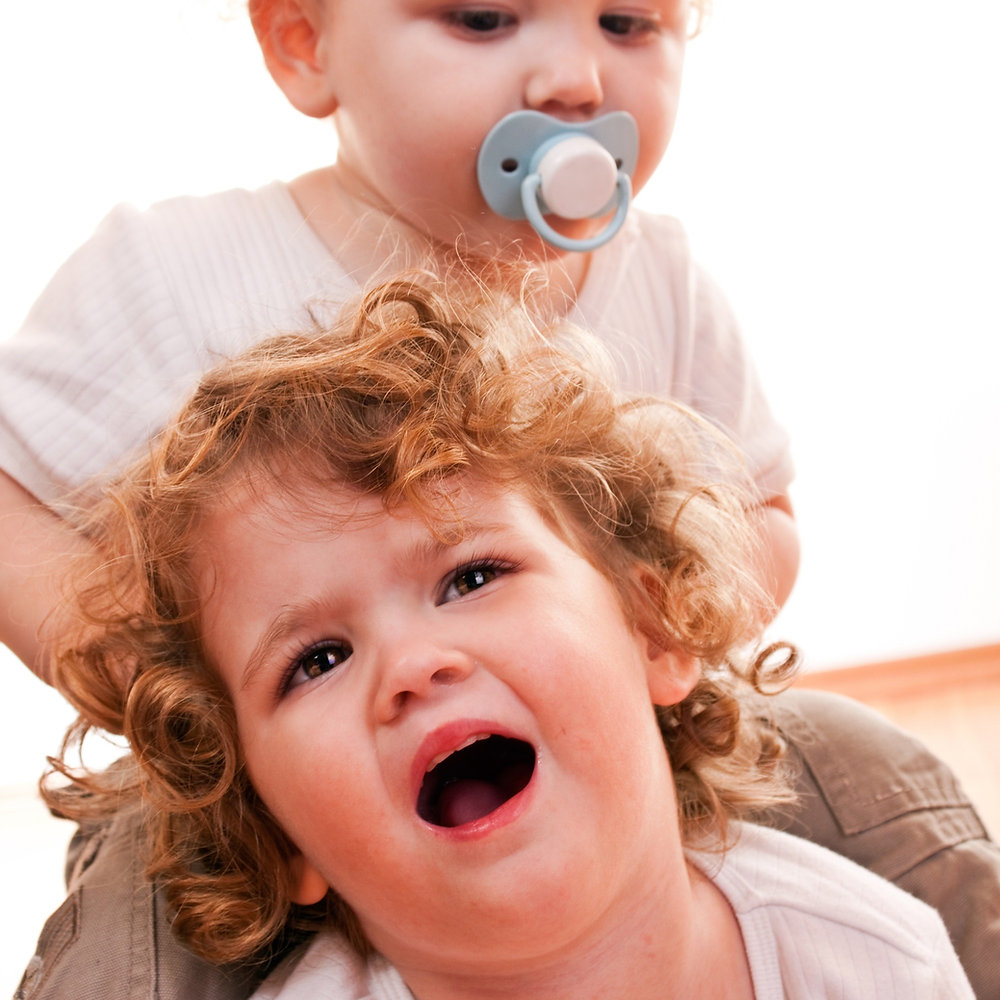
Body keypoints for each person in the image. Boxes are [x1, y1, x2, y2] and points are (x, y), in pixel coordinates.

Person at [4, 2, 998, 998]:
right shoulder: (173, 271)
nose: (574, 80)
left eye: (624, 21)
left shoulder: (659, 275)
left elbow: (764, 512)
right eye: (483, 17)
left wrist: (660, 614)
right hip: (254, 792)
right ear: (303, 43)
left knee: (849, 764)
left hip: (625, 748)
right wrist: (167, 697)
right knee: (144, 939)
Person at [34, 277, 975, 1000]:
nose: (410, 666)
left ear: (653, 631)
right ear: (276, 836)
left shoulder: (875, 961)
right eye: (315, 661)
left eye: (471, 577)